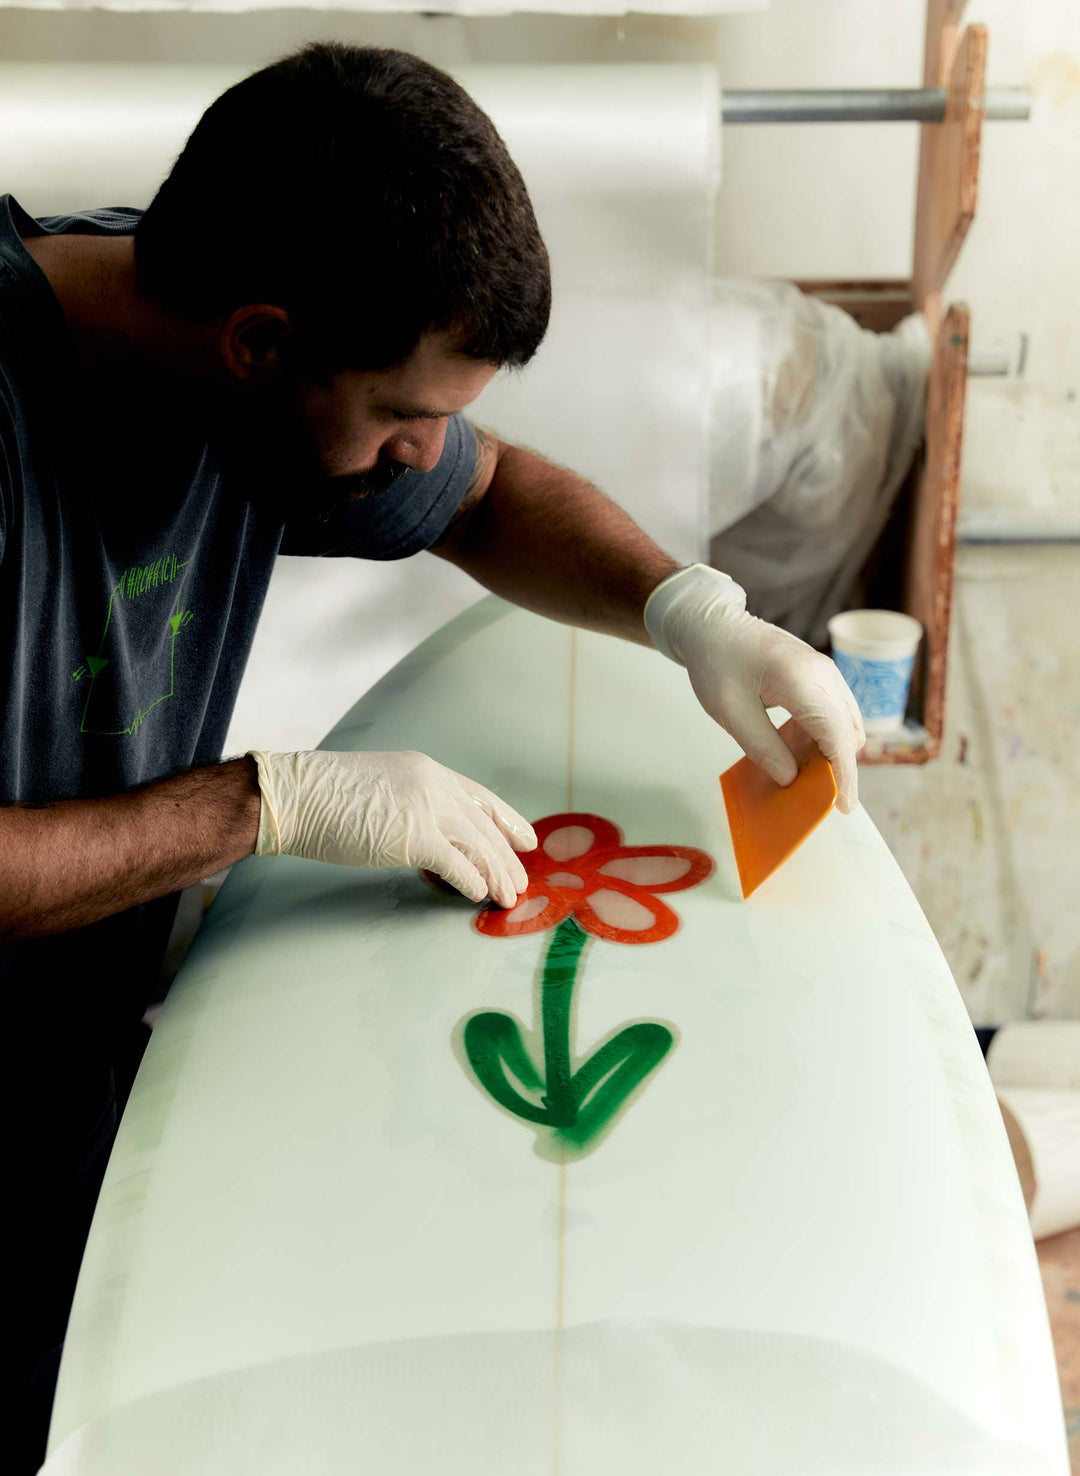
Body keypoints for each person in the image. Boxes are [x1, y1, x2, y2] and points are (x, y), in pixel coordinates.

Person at [1, 40, 864, 1470]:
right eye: (406, 415)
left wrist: (691, 614)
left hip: (61, 1077)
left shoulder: (214, 352)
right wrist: (261, 803)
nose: (427, 453)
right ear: (261, 341)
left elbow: (495, 495)